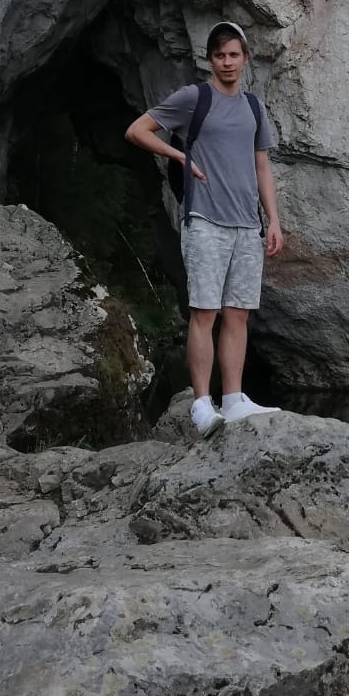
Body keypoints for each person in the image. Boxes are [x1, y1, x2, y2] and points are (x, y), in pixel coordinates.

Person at [125, 21, 285, 438]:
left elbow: (262, 166)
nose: (227, 62)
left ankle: (232, 399)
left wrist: (274, 220)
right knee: (204, 312)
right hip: (205, 221)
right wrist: (177, 156)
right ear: (210, 60)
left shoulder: (253, 107)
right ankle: (201, 404)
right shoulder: (195, 98)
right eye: (220, 55)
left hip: (247, 225)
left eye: (234, 54)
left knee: (237, 314)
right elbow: (137, 130)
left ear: (245, 59)